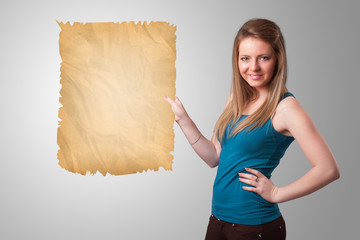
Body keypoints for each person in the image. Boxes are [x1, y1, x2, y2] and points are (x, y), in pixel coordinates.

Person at [163, 18, 340, 240]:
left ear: (277, 59)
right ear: (236, 60)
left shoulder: (286, 108)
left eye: (263, 58)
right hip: (218, 220)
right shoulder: (236, 99)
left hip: (254, 228)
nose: (253, 67)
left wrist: (277, 193)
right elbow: (214, 157)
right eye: (245, 58)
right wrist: (183, 119)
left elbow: (328, 169)